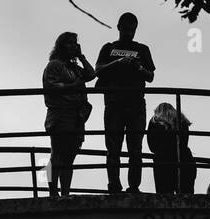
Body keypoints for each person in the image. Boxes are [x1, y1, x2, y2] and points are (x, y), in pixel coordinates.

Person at [94, 11, 156, 194]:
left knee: (135, 149)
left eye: (132, 29)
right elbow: (98, 70)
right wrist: (119, 63)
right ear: (119, 27)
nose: (129, 32)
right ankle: (114, 185)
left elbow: (150, 76)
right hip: (114, 105)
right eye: (127, 28)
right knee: (113, 148)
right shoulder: (108, 48)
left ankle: (133, 187)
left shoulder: (143, 49)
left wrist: (137, 67)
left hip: (135, 105)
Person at [42, 32, 96, 199]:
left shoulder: (73, 67)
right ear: (61, 46)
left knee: (69, 157)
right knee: (56, 155)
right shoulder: (54, 65)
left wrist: (81, 56)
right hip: (60, 115)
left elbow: (92, 75)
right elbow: (50, 86)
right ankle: (52, 191)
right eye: (69, 43)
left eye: (75, 43)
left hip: (76, 117)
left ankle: (65, 193)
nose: (73, 46)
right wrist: (73, 85)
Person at [146, 102, 195, 195]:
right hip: (185, 159)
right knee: (186, 197)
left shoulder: (155, 121)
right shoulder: (182, 121)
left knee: (164, 197)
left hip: (163, 162)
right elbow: (184, 143)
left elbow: (151, 146)